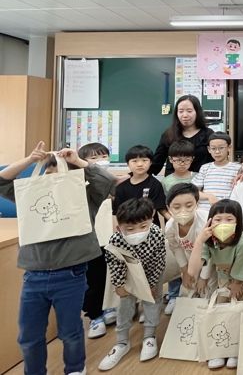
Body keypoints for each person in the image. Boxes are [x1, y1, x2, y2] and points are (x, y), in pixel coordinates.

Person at [0, 142, 113, 375]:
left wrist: (77, 161)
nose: (52, 177)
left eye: (59, 172)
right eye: (48, 172)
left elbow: (107, 180)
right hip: (34, 275)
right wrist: (30, 160)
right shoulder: (31, 195)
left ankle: (75, 369)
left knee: (70, 332)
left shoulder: (84, 196)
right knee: (28, 336)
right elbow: (1, 181)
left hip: (71, 274)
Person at [188, 199, 243, 369]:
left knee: (241, 308)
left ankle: (236, 348)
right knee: (221, 308)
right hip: (223, 274)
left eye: (229, 219)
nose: (223, 223)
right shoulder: (209, 240)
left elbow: (241, 271)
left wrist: (236, 284)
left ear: (238, 221)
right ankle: (220, 348)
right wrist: (199, 241)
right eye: (218, 219)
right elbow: (193, 270)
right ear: (210, 221)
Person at [99, 198, 166, 371]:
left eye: (143, 226)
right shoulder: (116, 240)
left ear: (151, 220)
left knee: (152, 301)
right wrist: (119, 285)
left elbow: (158, 262)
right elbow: (115, 264)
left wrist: (151, 284)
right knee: (125, 304)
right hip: (128, 272)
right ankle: (122, 342)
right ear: (119, 228)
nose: (138, 232)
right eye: (130, 229)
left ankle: (149, 337)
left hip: (152, 271)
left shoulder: (157, 234)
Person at [75, 142, 117, 339]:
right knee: (93, 277)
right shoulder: (78, 182)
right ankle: (94, 315)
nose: (100, 161)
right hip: (90, 238)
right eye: (93, 158)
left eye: (103, 157)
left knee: (112, 274)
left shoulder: (113, 181)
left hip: (112, 236)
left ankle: (110, 307)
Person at [163, 183, 209, 315]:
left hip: (209, 263)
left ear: (197, 204)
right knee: (188, 290)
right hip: (190, 261)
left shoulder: (205, 221)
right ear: (169, 208)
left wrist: (204, 277)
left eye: (189, 205)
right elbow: (176, 248)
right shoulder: (170, 227)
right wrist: (185, 272)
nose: (183, 211)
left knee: (207, 294)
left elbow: (211, 253)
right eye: (177, 207)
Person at [151, 95, 215, 176]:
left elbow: (215, 162)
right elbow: (157, 163)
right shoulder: (169, 134)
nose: (185, 115)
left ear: (197, 112)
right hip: (173, 181)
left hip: (200, 180)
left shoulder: (208, 134)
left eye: (189, 111)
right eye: (181, 111)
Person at [112, 145, 169, 227]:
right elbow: (118, 212)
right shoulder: (121, 187)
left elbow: (158, 208)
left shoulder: (155, 184)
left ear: (151, 162)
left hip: (150, 227)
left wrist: (173, 221)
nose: (140, 164)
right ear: (128, 164)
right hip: (129, 227)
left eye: (144, 160)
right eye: (134, 161)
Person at [191, 132, 241, 212]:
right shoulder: (205, 168)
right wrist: (208, 196)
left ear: (229, 148)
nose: (217, 152)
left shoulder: (237, 168)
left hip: (226, 211)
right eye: (213, 148)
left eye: (221, 148)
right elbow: (193, 191)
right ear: (209, 149)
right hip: (204, 211)